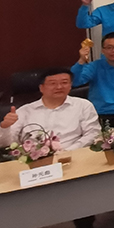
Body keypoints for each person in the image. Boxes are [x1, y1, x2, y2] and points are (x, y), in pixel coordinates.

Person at [1, 68, 101, 227]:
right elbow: (6, 143)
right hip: (34, 166)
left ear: (70, 85)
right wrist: (5, 127)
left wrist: (67, 152)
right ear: (41, 87)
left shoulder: (83, 105)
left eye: (64, 82)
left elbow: (93, 133)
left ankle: (85, 221)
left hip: (73, 162)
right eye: (53, 83)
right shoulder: (25, 111)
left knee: (81, 201)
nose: (59, 87)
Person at [70, 32, 114, 122]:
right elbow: (75, 82)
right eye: (109, 47)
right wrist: (81, 60)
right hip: (99, 113)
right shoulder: (94, 66)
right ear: (102, 51)